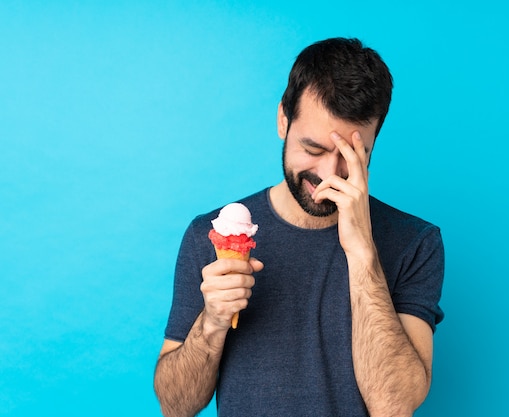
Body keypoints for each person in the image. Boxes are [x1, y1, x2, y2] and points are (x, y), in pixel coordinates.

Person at [154, 37, 445, 417]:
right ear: (282, 120)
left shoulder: (415, 243)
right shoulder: (206, 236)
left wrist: (362, 254)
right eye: (313, 149)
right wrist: (212, 322)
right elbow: (175, 406)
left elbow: (394, 406)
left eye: (350, 157)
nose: (328, 176)